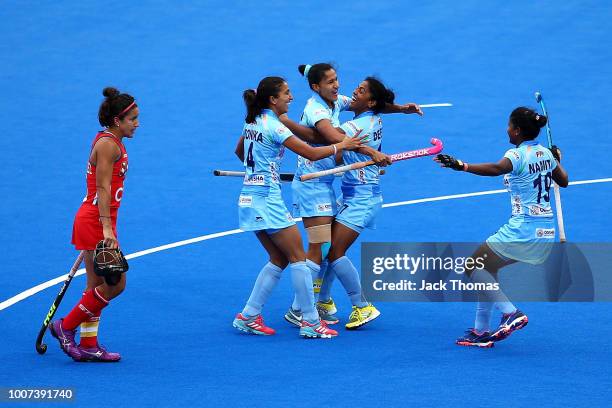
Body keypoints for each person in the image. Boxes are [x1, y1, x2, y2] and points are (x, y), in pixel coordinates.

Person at [281, 63, 422, 326]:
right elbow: (325, 138)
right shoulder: (337, 110)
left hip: (356, 196)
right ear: (316, 86)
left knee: (329, 251)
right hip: (342, 193)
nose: (347, 89)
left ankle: (356, 306)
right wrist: (374, 149)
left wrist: (284, 123)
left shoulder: (353, 118)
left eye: (361, 90)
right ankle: (320, 302)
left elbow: (330, 138)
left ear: (370, 102)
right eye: (332, 81)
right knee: (325, 249)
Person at [232, 76, 364, 339]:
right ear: (273, 99)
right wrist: (342, 145)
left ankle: (248, 315)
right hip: (267, 201)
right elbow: (311, 153)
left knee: (278, 258)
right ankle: (310, 322)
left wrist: (262, 167)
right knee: (299, 259)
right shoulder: (276, 126)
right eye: (286, 93)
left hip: (248, 198)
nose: (290, 98)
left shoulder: (252, 122)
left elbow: (239, 152)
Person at [435, 106, 568, 347]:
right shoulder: (545, 154)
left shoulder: (517, 155)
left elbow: (497, 169)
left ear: (517, 131)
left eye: (509, 126)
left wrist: (461, 165)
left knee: (473, 265)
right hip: (545, 230)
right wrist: (556, 159)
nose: (507, 129)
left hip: (523, 228)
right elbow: (564, 180)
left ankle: (510, 313)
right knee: (487, 270)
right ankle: (480, 331)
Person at [50, 87, 139, 361]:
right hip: (96, 222)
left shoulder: (112, 141)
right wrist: (106, 229)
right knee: (116, 283)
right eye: (132, 119)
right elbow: (102, 188)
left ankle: (89, 344)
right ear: (117, 121)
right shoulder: (107, 145)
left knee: (95, 286)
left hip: (98, 221)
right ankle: (65, 327)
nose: (137, 123)